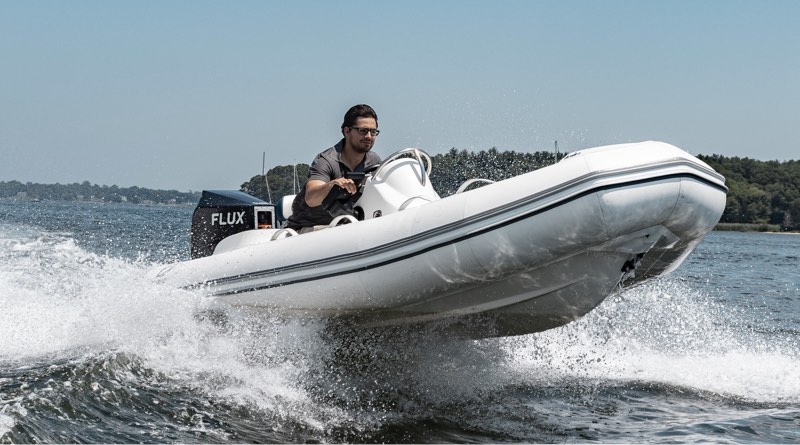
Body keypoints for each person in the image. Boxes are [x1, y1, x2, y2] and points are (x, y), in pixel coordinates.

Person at [285, 104, 382, 233]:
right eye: (363, 131)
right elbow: (311, 198)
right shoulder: (326, 160)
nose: (369, 136)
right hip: (311, 229)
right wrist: (332, 185)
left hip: (349, 228)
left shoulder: (374, 161)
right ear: (347, 131)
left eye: (373, 131)